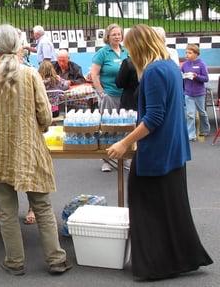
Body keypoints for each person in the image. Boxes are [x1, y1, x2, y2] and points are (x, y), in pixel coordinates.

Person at [0, 24, 71, 276]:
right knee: (41, 207)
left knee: (7, 211)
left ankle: (15, 262)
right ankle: (56, 260)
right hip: (29, 149)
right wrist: (38, 129)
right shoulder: (30, 74)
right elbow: (45, 115)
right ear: (19, 47)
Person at [107, 24, 212, 280]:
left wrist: (124, 143)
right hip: (174, 149)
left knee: (146, 208)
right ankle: (181, 258)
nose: (129, 55)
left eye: (131, 49)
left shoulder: (153, 71)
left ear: (138, 46)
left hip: (157, 151)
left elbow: (154, 117)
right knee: (173, 209)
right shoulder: (170, 66)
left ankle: (156, 265)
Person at [90, 23, 128, 172]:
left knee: (124, 127)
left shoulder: (126, 51)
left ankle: (122, 158)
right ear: (108, 36)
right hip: (109, 95)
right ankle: (106, 160)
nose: (117, 37)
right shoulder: (103, 53)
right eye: (114, 35)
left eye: (119, 34)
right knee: (108, 128)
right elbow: (94, 74)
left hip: (124, 95)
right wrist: (101, 93)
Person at [181, 44, 210, 141]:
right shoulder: (185, 64)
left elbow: (206, 79)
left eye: (190, 53)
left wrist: (196, 76)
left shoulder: (201, 64)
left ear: (196, 54)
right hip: (188, 93)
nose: (187, 54)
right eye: (186, 52)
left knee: (202, 112)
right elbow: (180, 74)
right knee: (190, 114)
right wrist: (182, 75)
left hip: (199, 93)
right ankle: (191, 135)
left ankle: (205, 130)